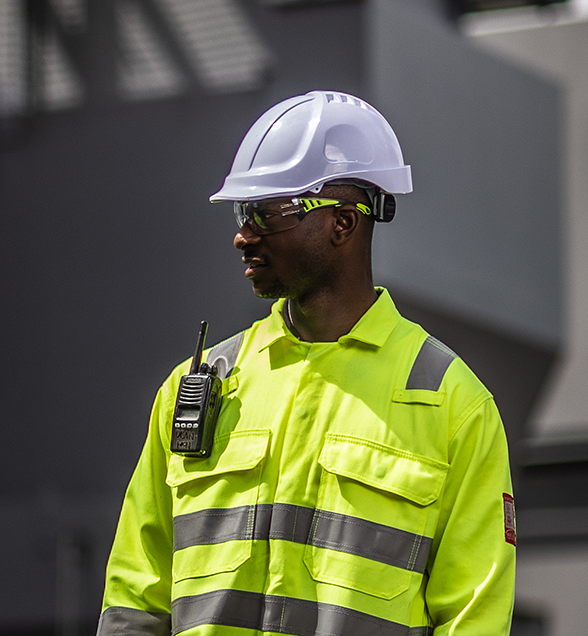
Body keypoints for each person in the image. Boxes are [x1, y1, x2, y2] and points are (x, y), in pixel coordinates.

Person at [97, 91, 515, 635]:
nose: (242, 235)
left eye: (265, 213)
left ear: (342, 222)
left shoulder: (454, 406)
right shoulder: (196, 388)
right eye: (242, 213)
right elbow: (135, 598)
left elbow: (474, 620)